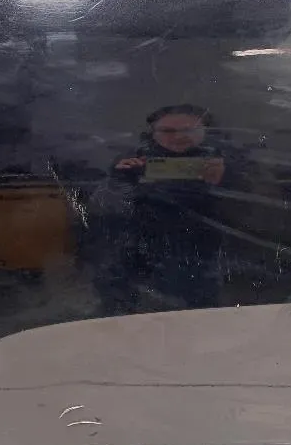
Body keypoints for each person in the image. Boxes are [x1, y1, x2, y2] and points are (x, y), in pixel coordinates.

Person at [91, 104, 234, 315]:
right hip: (138, 252)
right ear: (153, 134)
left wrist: (228, 178)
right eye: (167, 131)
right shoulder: (134, 160)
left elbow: (253, 214)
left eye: (189, 130)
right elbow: (102, 208)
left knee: (201, 318)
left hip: (204, 255)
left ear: (206, 131)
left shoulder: (229, 160)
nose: (178, 137)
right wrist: (120, 180)